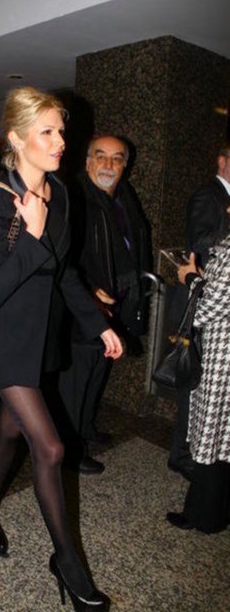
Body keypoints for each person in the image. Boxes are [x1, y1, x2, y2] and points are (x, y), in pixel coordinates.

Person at [0, 87, 122, 611]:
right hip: (2, 343)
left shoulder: (60, 193)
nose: (60, 142)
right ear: (17, 139)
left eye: (61, 131)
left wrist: (97, 325)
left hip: (37, 340)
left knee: (9, 431)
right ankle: (68, 565)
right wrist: (30, 236)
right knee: (50, 448)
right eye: (48, 132)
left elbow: (63, 271)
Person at [59, 135, 150, 473]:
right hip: (82, 309)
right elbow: (61, 256)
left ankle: (84, 430)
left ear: (125, 165)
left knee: (97, 373)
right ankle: (69, 450)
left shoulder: (124, 197)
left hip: (116, 303)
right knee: (76, 382)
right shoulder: (74, 198)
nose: (108, 165)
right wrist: (88, 288)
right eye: (101, 156)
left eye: (116, 159)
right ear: (87, 162)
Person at [169, 145, 230, 479]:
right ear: (221, 161)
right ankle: (183, 455)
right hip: (202, 300)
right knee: (192, 380)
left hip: (216, 304)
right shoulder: (208, 195)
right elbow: (200, 240)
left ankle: (194, 452)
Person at [167, 234, 230, 534]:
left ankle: (204, 516)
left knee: (213, 436)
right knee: (224, 439)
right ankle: (215, 511)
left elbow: (208, 309)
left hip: (223, 356)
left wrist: (190, 278)